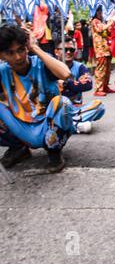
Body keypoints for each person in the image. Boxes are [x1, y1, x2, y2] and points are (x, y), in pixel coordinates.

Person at [0, 25, 73, 173]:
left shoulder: (41, 64)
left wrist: (35, 48)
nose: (18, 57)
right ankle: (18, 148)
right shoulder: (2, 72)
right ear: (2, 56)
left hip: (48, 122)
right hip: (23, 125)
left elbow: (65, 74)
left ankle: (54, 150)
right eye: (10, 52)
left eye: (21, 49)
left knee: (63, 104)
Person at [54, 37, 105, 134]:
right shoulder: (51, 66)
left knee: (100, 106)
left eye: (71, 49)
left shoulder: (80, 67)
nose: (68, 52)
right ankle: (75, 125)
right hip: (57, 109)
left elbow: (87, 85)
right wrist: (76, 84)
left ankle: (69, 125)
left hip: (75, 109)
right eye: (65, 49)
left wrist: (65, 83)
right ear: (56, 52)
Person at [91, 6, 115, 96]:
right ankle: (98, 89)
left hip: (106, 48)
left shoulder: (101, 22)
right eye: (100, 12)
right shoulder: (94, 21)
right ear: (96, 13)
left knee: (107, 69)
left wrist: (109, 24)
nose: (102, 14)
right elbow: (100, 29)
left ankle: (105, 86)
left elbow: (107, 33)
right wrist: (110, 23)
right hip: (100, 49)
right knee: (101, 68)